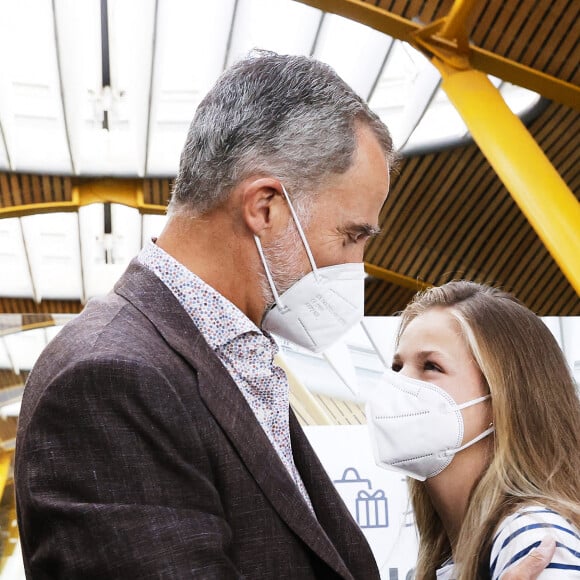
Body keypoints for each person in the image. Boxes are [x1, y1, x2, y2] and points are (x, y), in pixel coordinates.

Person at [14, 50, 551, 579]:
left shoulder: (223, 359)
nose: (357, 267)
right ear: (265, 207)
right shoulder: (111, 380)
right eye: (351, 236)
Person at [366, 281, 580, 579]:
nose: (399, 385)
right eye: (397, 367)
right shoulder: (452, 558)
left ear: (502, 400)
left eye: (431, 366)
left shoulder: (533, 539)